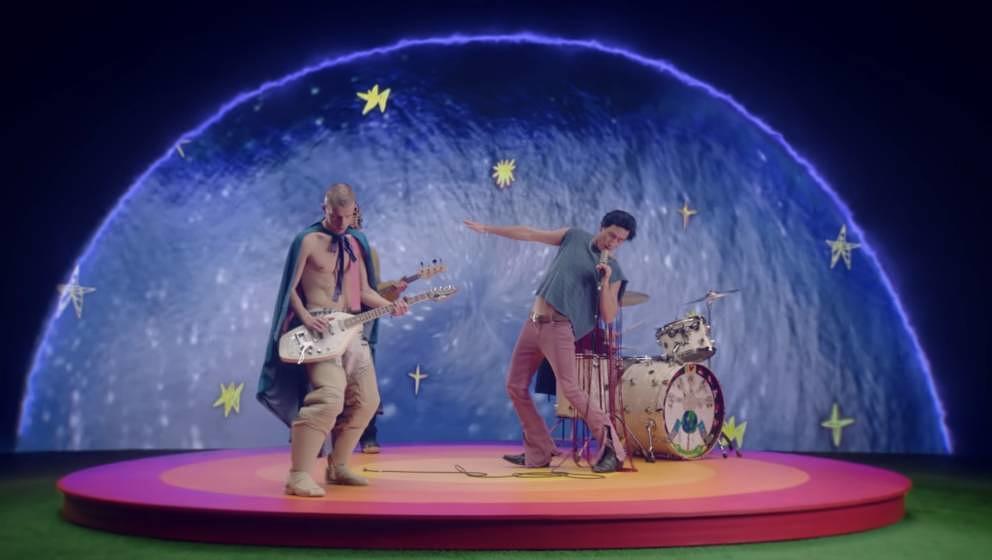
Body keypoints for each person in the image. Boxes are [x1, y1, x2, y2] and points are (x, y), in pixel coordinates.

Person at [257, 183, 408, 497]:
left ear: (354, 211)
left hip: (351, 329)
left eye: (347, 216)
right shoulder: (307, 240)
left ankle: (338, 466)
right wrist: (305, 316)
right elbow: (290, 289)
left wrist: (390, 306)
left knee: (367, 401)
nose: (341, 222)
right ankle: (298, 475)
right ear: (324, 209)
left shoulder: (355, 242)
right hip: (319, 328)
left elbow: (364, 291)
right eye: (336, 216)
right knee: (329, 397)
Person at [464, 210, 636, 473]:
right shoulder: (574, 237)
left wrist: (603, 280)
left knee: (571, 389)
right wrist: (487, 228)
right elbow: (529, 233)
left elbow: (609, 315)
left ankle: (613, 448)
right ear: (602, 226)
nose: (613, 243)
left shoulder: (614, 271)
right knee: (515, 386)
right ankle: (540, 449)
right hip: (533, 323)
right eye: (611, 235)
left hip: (560, 327)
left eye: (620, 240)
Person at [350, 204, 409, 454]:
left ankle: (368, 435)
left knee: (364, 379)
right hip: (329, 324)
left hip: (361, 326)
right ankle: (317, 441)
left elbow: (372, 290)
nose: (350, 222)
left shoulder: (368, 253)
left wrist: (393, 291)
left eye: (354, 218)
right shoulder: (320, 246)